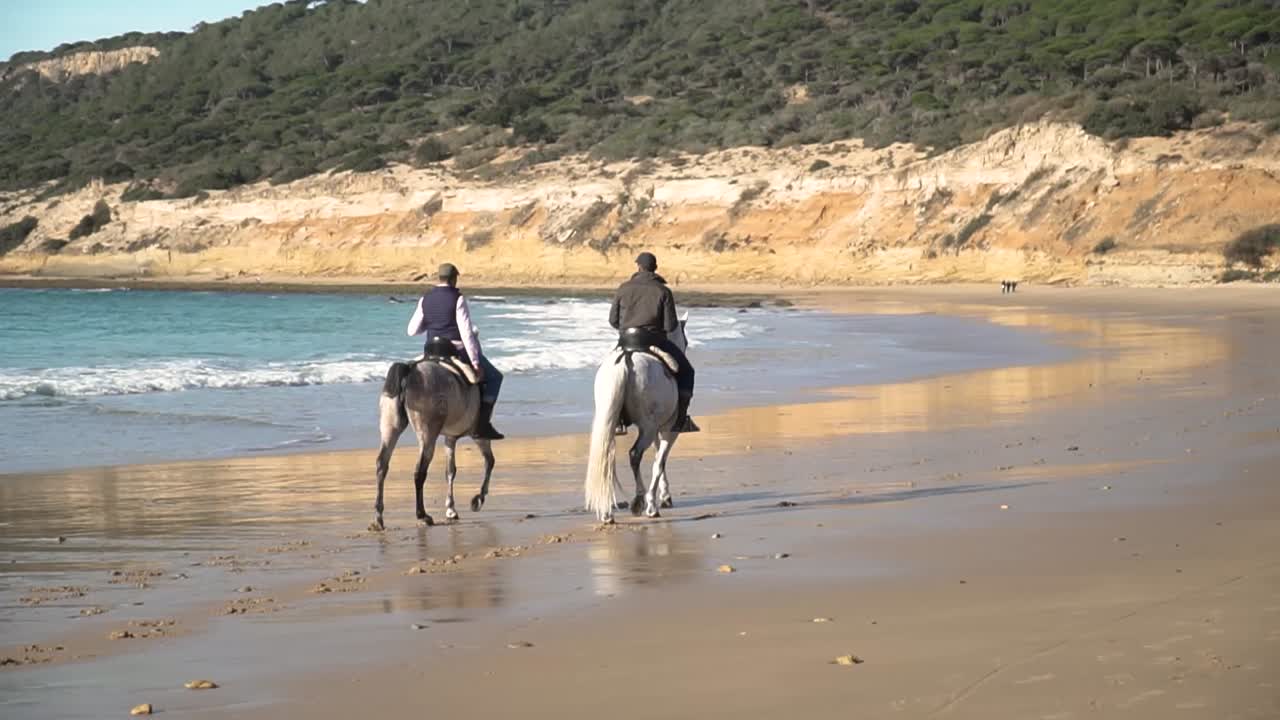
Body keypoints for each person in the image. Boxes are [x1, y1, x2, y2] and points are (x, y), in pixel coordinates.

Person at [406, 262, 504, 439]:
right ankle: (482, 425)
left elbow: (412, 331)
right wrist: (475, 362)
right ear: (453, 278)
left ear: (439, 277)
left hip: (430, 350)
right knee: (495, 377)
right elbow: (466, 333)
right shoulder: (457, 298)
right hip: (455, 350)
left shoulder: (425, 299)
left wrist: (431, 324)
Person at [609, 251, 698, 432]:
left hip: (625, 341)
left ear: (638, 267)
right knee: (687, 372)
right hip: (652, 341)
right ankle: (680, 420)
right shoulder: (663, 291)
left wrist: (628, 327)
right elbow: (670, 326)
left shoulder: (623, 288)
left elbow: (613, 321)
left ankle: (616, 419)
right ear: (655, 268)